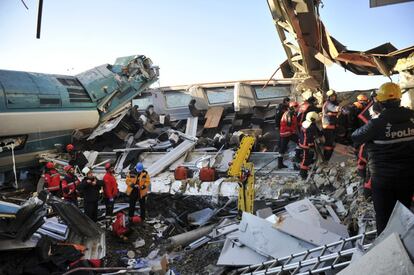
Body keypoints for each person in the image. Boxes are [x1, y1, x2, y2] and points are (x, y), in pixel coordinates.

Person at [351, 82, 414, 234]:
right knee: (403, 213)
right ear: (399, 100)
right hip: (408, 177)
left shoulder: (377, 123)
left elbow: (356, 136)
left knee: (384, 218)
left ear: (380, 102)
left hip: (383, 180)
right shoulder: (412, 118)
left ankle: (387, 248)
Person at [298, 112, 322, 179]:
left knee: (308, 157)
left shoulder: (306, 123)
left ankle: (307, 166)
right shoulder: (311, 127)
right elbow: (310, 138)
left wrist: (321, 132)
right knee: (305, 159)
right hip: (306, 145)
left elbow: (317, 131)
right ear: (313, 119)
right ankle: (303, 174)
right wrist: (311, 146)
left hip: (302, 143)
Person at [278, 101, 299, 168]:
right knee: (300, 142)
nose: (298, 108)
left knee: (282, 149)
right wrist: (293, 130)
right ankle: (297, 158)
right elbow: (289, 125)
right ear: (293, 107)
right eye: (297, 107)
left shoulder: (291, 113)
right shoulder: (289, 114)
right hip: (286, 133)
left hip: (286, 133)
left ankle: (280, 164)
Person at [322, 90, 341, 161]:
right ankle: (326, 158)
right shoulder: (328, 104)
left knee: (332, 142)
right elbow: (334, 108)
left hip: (332, 126)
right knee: (328, 143)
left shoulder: (334, 103)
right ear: (329, 97)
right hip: (328, 127)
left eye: (334, 96)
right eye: (331, 96)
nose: (333, 97)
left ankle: (331, 157)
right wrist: (340, 108)